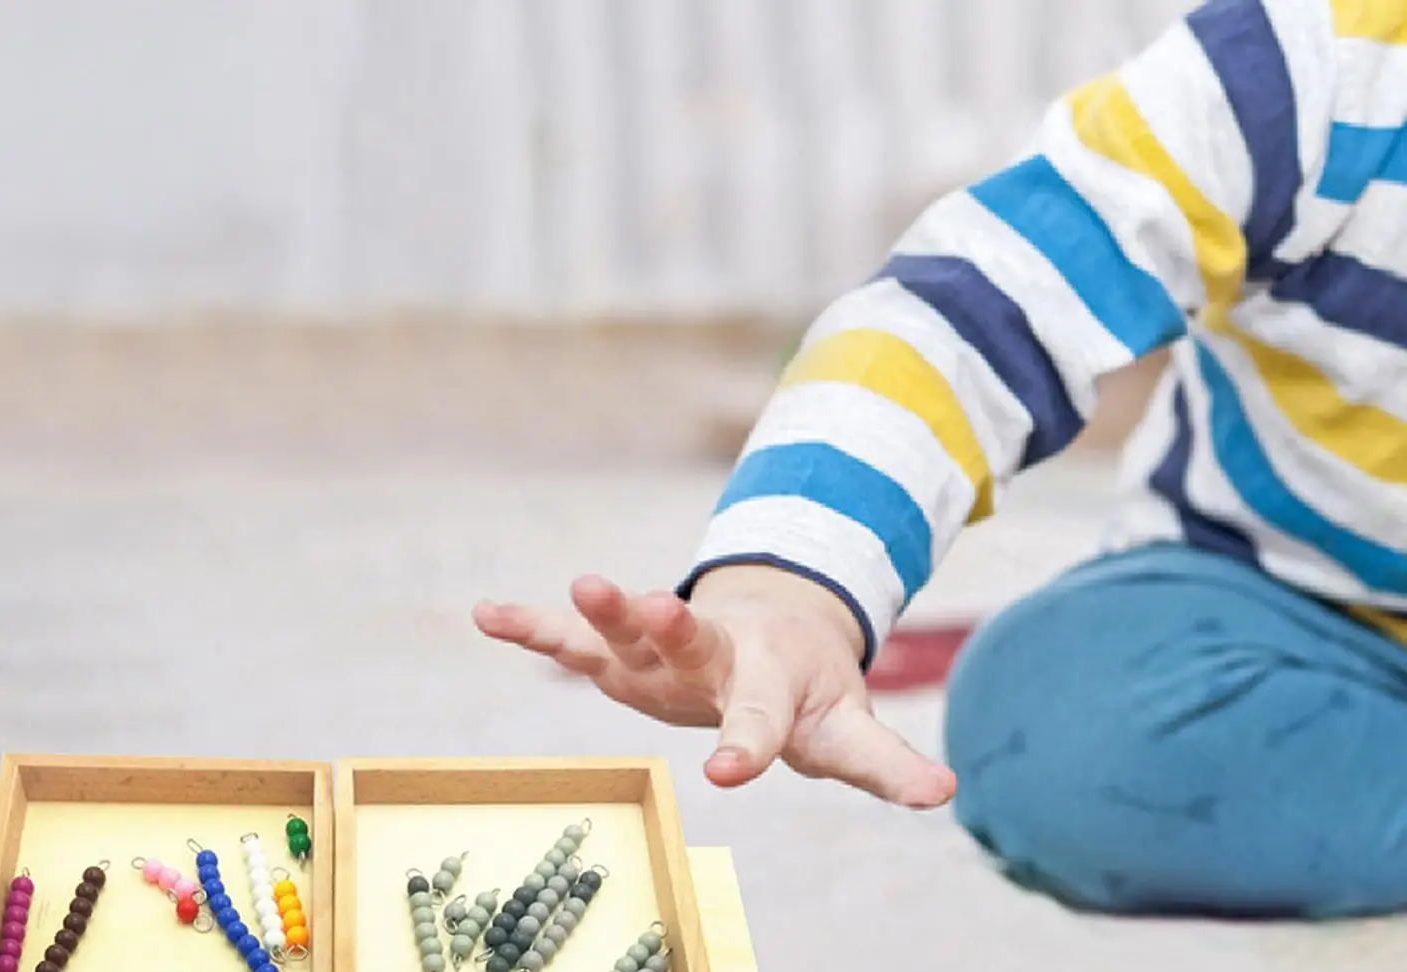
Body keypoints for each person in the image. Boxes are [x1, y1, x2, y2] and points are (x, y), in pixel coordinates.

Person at [475, 0, 1407, 920]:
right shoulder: (1296, 74)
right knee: (1052, 724)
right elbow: (972, 311)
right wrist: (791, 585)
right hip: (1298, 602)